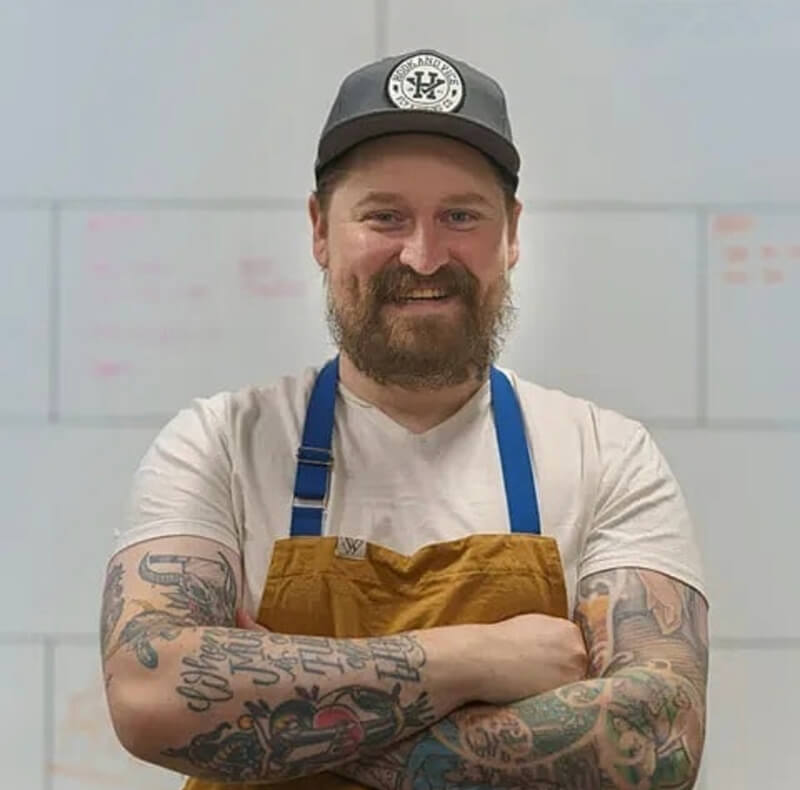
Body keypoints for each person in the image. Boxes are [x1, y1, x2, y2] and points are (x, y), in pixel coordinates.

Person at [100, 49, 708, 790]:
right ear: (321, 230)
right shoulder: (221, 443)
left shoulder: (605, 455)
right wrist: (480, 661)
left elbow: (659, 736)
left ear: (511, 234)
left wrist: (280, 720)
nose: (423, 257)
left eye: (460, 216)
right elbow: (150, 695)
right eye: (384, 215)